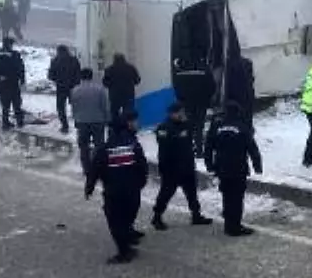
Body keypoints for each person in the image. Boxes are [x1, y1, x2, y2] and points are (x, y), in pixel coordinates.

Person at [84, 110, 148, 264]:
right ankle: (128, 241)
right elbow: (142, 166)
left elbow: (95, 169)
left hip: (114, 193)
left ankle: (124, 252)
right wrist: (140, 183)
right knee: (126, 218)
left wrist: (89, 188)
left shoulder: (106, 148)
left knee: (115, 222)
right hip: (132, 192)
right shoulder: (133, 144)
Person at [204, 101, 263, 237]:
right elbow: (252, 147)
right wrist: (257, 165)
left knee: (227, 195)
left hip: (222, 167)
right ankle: (234, 226)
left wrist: (209, 165)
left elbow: (208, 146)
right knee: (237, 198)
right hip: (238, 167)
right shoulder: (242, 127)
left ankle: (228, 223)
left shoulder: (217, 126)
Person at [151, 102, 212, 230]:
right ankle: (157, 217)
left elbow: (189, 141)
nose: (182, 115)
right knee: (166, 193)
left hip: (187, 165)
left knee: (191, 192)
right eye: (179, 113)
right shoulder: (163, 128)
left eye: (182, 112)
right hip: (171, 168)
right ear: (172, 114)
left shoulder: (186, 125)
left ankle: (196, 215)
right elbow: (165, 147)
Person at [70, 68, 110, 176]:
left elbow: (74, 107)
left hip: (82, 122)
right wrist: (107, 119)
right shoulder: (100, 89)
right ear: (91, 76)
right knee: (99, 146)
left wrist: (75, 119)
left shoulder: (75, 90)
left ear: (81, 77)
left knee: (84, 146)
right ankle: (99, 167)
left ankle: (86, 169)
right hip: (98, 121)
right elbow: (105, 106)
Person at [172, 57, 216, 157]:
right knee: (199, 127)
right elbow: (212, 86)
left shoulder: (180, 70)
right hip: (201, 103)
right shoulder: (204, 69)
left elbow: (176, 86)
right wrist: (207, 98)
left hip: (186, 104)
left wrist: (182, 100)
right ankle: (199, 150)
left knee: (188, 126)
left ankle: (188, 149)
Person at [0, 36, 25, 129]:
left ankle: (5, 123)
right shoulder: (15, 54)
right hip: (13, 82)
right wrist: (22, 79)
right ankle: (20, 122)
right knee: (16, 103)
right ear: (11, 44)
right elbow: (21, 68)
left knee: (5, 104)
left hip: (2, 83)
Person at [47, 44, 82, 134]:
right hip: (73, 87)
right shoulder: (74, 60)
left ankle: (65, 125)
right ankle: (79, 125)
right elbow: (78, 74)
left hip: (61, 87)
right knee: (76, 106)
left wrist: (58, 80)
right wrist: (76, 84)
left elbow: (50, 76)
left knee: (61, 107)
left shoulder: (55, 61)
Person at [102, 53, 141, 122]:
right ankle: (128, 127)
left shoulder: (109, 69)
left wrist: (112, 85)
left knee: (114, 113)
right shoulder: (131, 68)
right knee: (129, 113)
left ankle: (116, 128)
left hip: (114, 95)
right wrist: (130, 84)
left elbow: (105, 83)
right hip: (128, 94)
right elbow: (137, 80)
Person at [225, 55, 256, 132]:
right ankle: (247, 131)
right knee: (247, 115)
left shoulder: (228, 64)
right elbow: (251, 79)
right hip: (247, 93)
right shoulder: (247, 62)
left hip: (235, 94)